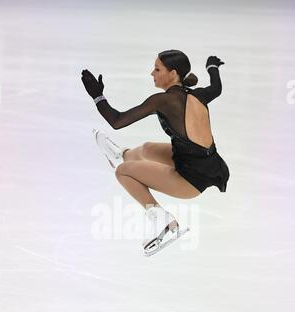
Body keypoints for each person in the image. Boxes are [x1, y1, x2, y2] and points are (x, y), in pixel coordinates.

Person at [81, 50, 230, 255]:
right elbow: (217, 88)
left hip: (192, 180)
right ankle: (121, 154)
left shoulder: (163, 101)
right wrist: (212, 67)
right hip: (206, 163)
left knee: (123, 172)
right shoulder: (198, 94)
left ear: (173, 73)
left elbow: (117, 121)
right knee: (148, 148)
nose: (152, 73)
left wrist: (97, 96)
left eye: (158, 69)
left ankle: (160, 217)